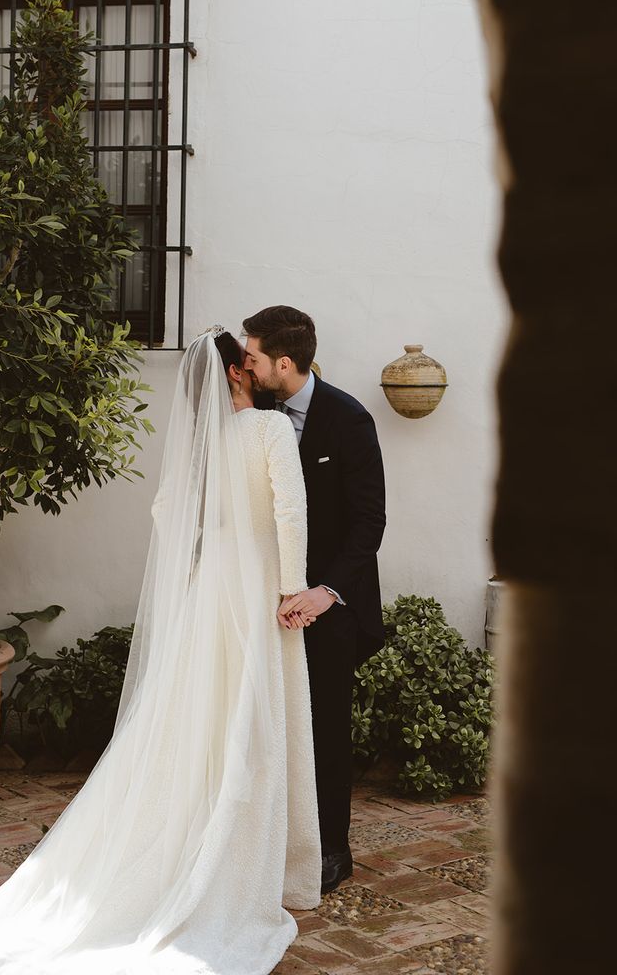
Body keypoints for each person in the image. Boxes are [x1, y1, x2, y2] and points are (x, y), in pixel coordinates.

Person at [0, 329, 321, 975]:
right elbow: (289, 514)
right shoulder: (270, 433)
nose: (254, 365)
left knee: (197, 719)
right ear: (234, 374)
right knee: (252, 724)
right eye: (247, 359)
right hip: (254, 588)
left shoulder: (204, 445)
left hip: (208, 591)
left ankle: (193, 840)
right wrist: (290, 587)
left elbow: (170, 513)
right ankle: (242, 862)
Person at [242, 306, 386, 895]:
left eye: (254, 356)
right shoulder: (259, 413)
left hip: (331, 606)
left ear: (284, 362)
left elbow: (369, 523)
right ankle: (278, 838)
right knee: (274, 723)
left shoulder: (349, 418)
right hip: (268, 603)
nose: (246, 365)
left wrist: (324, 594)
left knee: (325, 727)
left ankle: (334, 850)